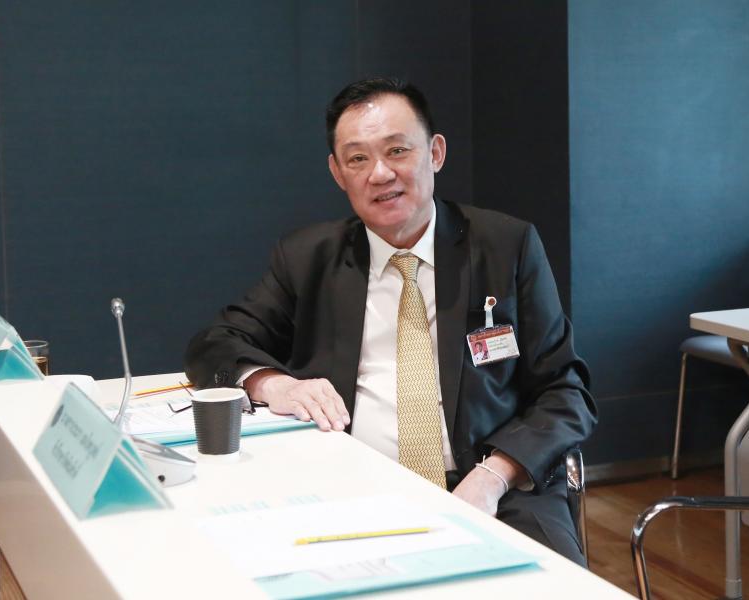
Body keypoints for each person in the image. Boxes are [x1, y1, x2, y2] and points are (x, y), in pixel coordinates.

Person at [185, 77, 596, 565]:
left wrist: (494, 476)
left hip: (496, 490)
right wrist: (275, 385)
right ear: (337, 173)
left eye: (397, 150)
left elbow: (565, 391)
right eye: (357, 159)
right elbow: (214, 344)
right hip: (349, 488)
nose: (380, 173)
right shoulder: (309, 257)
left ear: (435, 153)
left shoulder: (505, 246)